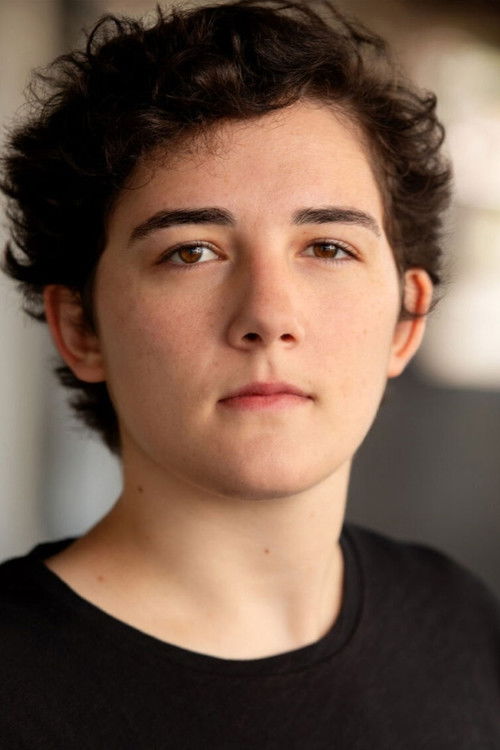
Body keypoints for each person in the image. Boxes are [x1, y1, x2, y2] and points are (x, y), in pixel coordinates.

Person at [1, 1, 499, 747]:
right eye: (191, 252)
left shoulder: (462, 624)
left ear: (406, 319)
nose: (268, 315)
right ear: (81, 327)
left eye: (328, 248)